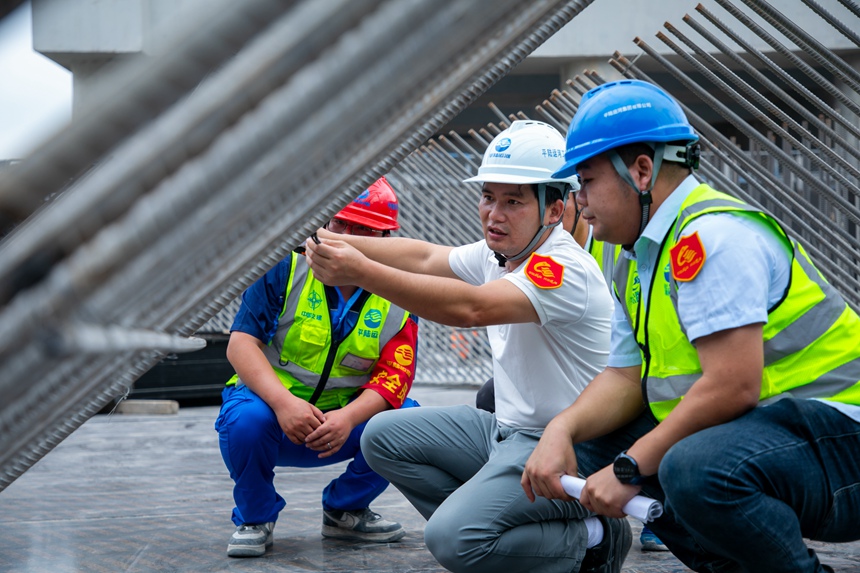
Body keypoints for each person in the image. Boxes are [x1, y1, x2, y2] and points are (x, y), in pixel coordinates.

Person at [522, 79, 860, 572]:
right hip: (780, 432)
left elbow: (732, 386)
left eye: (588, 180)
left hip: (843, 438)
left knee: (692, 468)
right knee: (594, 443)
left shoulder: (712, 238)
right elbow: (624, 378)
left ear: (642, 171)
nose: (580, 199)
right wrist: (562, 428)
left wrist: (630, 467)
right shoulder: (633, 256)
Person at [306, 120, 628, 573]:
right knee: (381, 436)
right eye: (488, 197)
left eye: (513, 201)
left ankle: (593, 539)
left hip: (565, 450)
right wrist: (332, 240)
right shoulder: (504, 253)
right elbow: (424, 257)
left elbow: (470, 309)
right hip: (505, 433)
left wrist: (359, 270)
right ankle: (503, 535)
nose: (494, 213)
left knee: (451, 539)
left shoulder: (561, 269)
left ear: (554, 210)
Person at [215, 177, 420, 558]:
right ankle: (255, 517)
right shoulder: (284, 267)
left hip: (343, 426)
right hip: (273, 419)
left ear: (385, 237)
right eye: (340, 224)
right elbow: (241, 345)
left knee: (409, 423)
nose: (346, 238)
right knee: (245, 419)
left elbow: (395, 377)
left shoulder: (401, 291)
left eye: (363, 230)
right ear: (322, 223)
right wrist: (284, 404)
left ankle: (345, 512)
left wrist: (347, 418)